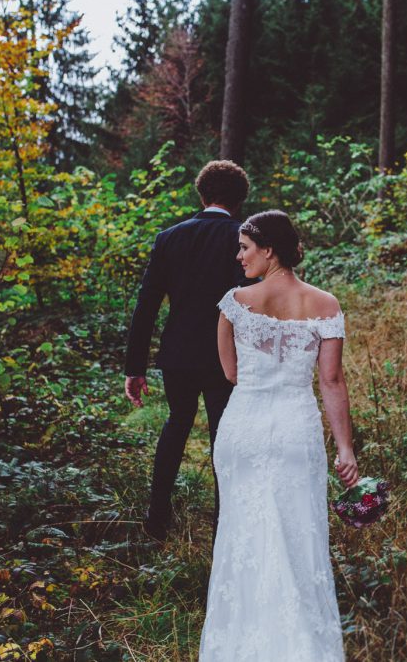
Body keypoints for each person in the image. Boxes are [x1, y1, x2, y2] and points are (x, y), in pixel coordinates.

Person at [199, 210, 359, 661]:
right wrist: (345, 449)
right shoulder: (325, 304)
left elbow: (232, 373)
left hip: (245, 428)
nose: (239, 256)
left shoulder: (234, 303)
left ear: (268, 250)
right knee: (298, 536)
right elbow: (331, 380)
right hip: (295, 429)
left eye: (245, 247)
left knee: (243, 533)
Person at [123, 160, 251, 542]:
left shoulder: (169, 237)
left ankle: (156, 518)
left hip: (177, 353)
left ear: (202, 194)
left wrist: (134, 366)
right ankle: (224, 524)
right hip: (225, 357)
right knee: (223, 435)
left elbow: (146, 304)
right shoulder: (244, 239)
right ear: (239, 199)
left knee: (177, 422)